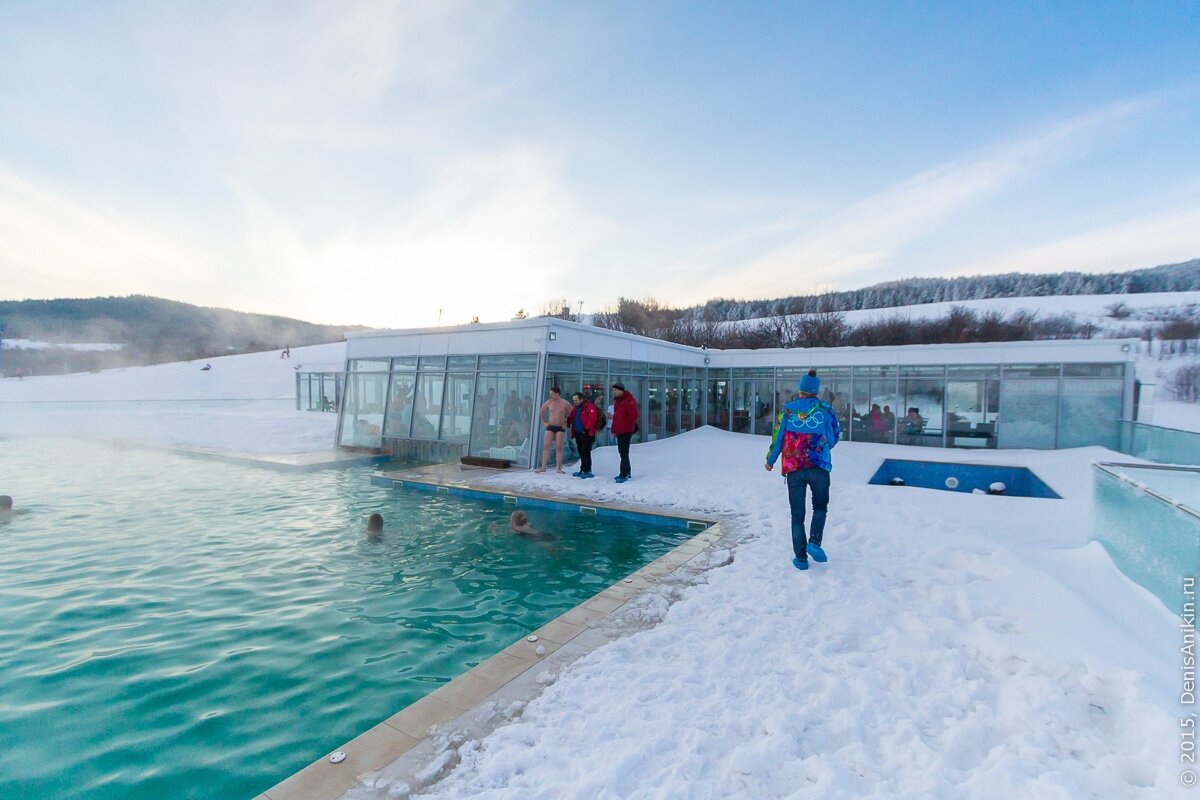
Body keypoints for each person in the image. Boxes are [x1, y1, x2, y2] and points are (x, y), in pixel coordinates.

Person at [765, 369, 840, 571]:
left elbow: (778, 438)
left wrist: (770, 460)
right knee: (820, 508)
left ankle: (800, 558)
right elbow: (833, 439)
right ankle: (814, 542)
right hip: (819, 467)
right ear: (816, 391)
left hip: (794, 469)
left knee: (797, 515)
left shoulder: (788, 411)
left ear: (801, 391)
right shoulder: (825, 410)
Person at [535, 386, 573, 473]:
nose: (550, 396)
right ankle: (543, 467)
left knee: (559, 447)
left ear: (557, 394)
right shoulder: (549, 402)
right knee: (546, 446)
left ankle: (558, 468)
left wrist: (566, 423)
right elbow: (541, 411)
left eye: (552, 394)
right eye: (550, 394)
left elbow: (572, 414)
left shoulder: (565, 403)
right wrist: (544, 422)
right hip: (551, 426)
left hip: (560, 427)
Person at [610, 382, 639, 483]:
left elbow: (633, 416)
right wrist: (614, 429)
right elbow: (616, 417)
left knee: (623, 452)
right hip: (619, 430)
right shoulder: (618, 401)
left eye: (615, 390)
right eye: (613, 390)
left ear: (621, 390)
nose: (614, 392)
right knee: (622, 452)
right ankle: (626, 472)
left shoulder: (629, 400)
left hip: (626, 430)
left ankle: (624, 473)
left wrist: (624, 426)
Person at [568, 392, 600, 479]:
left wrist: (586, 428)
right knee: (581, 451)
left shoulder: (589, 406)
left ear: (581, 399)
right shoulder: (576, 408)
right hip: (578, 433)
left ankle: (587, 470)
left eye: (576, 400)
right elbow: (572, 416)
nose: (575, 402)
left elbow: (593, 418)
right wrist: (568, 421)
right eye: (574, 400)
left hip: (587, 433)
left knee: (586, 451)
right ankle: (582, 469)